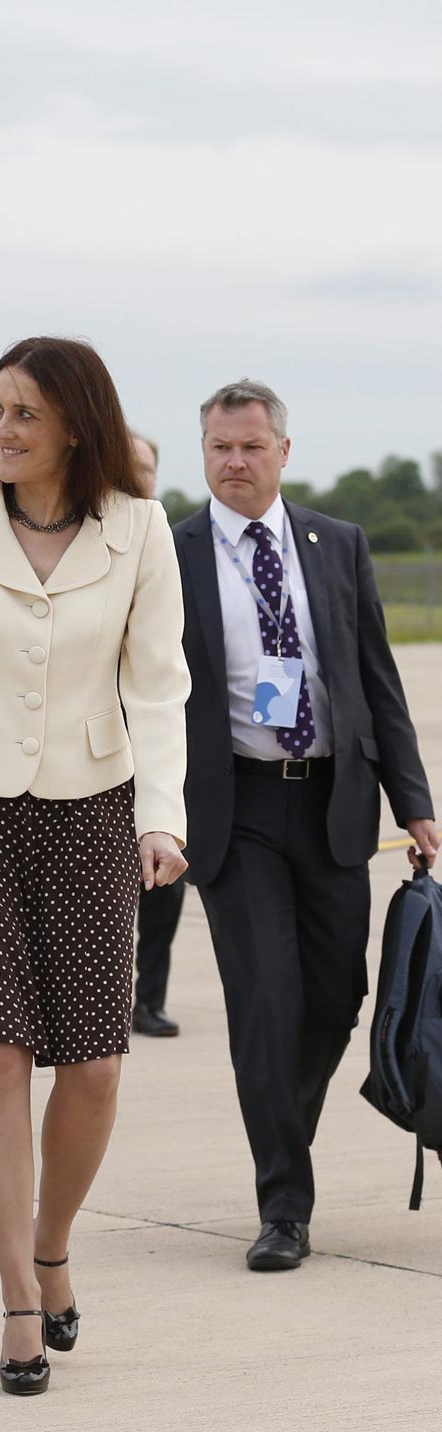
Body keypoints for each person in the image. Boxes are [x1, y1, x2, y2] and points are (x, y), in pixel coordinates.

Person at [0, 338, 189, 1395]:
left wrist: (162, 818)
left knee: (94, 1064)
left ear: (73, 423)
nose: (0, 432)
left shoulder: (138, 528)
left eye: (22, 414)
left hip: (93, 811)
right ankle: (17, 1297)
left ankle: (52, 1241)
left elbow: (156, 690)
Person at [175, 380, 436, 1271]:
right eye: (219, 447)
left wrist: (415, 800)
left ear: (284, 451)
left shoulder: (337, 544)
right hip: (235, 808)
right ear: (202, 453)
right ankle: (283, 1202)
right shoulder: (169, 556)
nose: (234, 462)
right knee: (265, 1001)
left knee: (335, 998)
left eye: (250, 446)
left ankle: (281, 1128)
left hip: (332, 801)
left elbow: (376, 680)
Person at [127, 433, 186, 1038]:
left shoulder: (168, 544)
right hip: (96, 755)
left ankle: (151, 998)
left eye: (142, 468)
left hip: (161, 746)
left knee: (164, 891)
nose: (133, 476)